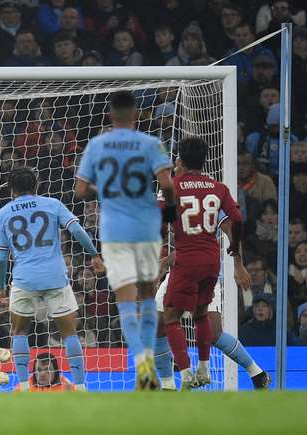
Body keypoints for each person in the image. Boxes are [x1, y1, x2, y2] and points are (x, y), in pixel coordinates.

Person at [74, 90, 176, 390]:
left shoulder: (98, 145)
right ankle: (150, 364)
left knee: (126, 299)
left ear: (110, 115)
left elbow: (80, 192)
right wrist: (169, 209)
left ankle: (143, 366)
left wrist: (104, 189)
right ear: (136, 115)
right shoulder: (150, 144)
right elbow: (167, 185)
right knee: (147, 296)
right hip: (146, 228)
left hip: (115, 230)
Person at [0, 166, 103, 391]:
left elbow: (1, 258)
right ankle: (81, 388)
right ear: (36, 185)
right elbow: (78, 231)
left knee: (19, 332)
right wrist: (94, 255)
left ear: (11, 189)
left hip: (24, 280)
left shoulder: (3, 213)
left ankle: (23, 385)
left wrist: (1, 286)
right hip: (54, 277)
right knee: (69, 333)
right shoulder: (53, 204)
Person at [154, 137, 249, 390]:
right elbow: (237, 218)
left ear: (181, 160)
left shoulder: (172, 187)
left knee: (171, 316)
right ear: (205, 160)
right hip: (212, 260)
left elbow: (161, 225)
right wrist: (234, 248)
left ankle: (185, 373)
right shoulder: (218, 187)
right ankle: (204, 368)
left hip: (187, 259)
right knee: (200, 313)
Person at [154, 214, 271, 390]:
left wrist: (238, 265)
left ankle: (257, 373)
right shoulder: (179, 198)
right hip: (179, 274)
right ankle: (168, 385)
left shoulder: (212, 199)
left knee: (214, 334)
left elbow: (231, 230)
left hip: (206, 275)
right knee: (158, 325)